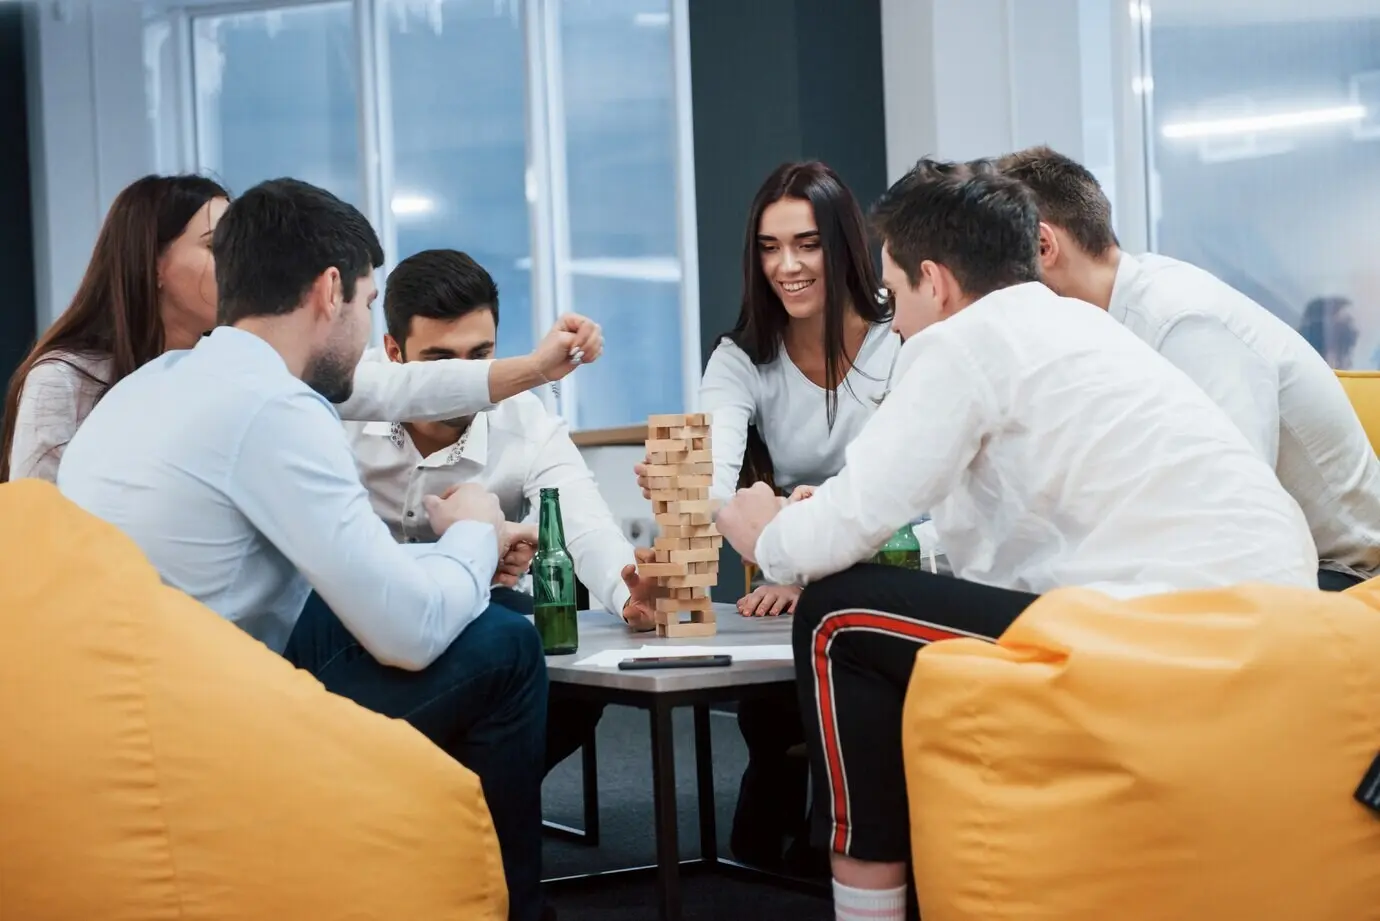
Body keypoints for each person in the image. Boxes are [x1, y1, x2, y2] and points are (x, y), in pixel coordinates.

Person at [715, 161, 1319, 921]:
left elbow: (847, 521)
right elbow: (1000, 517)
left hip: (1166, 632)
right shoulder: (1078, 326)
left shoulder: (961, 343)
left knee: (839, 617)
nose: (893, 322)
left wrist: (765, 533)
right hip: (1282, 622)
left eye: (894, 295)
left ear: (934, 282)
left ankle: (867, 907)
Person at [57, 179, 553, 921]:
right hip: (213, 737)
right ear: (330, 290)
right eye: (365, 300)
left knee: (486, 599)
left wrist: (466, 556)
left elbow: (347, 574)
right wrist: (475, 525)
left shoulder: (153, 384)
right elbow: (408, 633)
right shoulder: (276, 408)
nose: (362, 330)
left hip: (117, 714)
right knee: (508, 643)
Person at [2, 174, 604, 485]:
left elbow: (395, 388)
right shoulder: (69, 378)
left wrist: (534, 368)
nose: (236, 265)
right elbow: (39, 535)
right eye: (216, 247)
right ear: (152, 265)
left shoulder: (235, 366)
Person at [636, 161, 897, 873]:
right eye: (769, 246)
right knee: (772, 684)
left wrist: (800, 548)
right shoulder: (741, 356)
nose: (787, 265)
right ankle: (776, 820)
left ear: (843, 244)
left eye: (807, 244)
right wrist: (706, 498)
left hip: (888, 558)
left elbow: (903, 492)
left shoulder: (898, 337)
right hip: (791, 559)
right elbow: (716, 483)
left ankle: (827, 835)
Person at [996, 146, 1380, 591]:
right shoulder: (1113, 321)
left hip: (1342, 576)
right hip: (1266, 560)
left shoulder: (1182, 321)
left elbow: (1231, 512)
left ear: (1044, 246)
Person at [347, 247, 660, 772]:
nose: (464, 379)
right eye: (439, 360)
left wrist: (629, 590)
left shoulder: (526, 422)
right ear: (392, 352)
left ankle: (472, 808)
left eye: (481, 355)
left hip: (479, 624)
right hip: (360, 624)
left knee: (549, 659)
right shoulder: (344, 399)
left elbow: (583, 525)